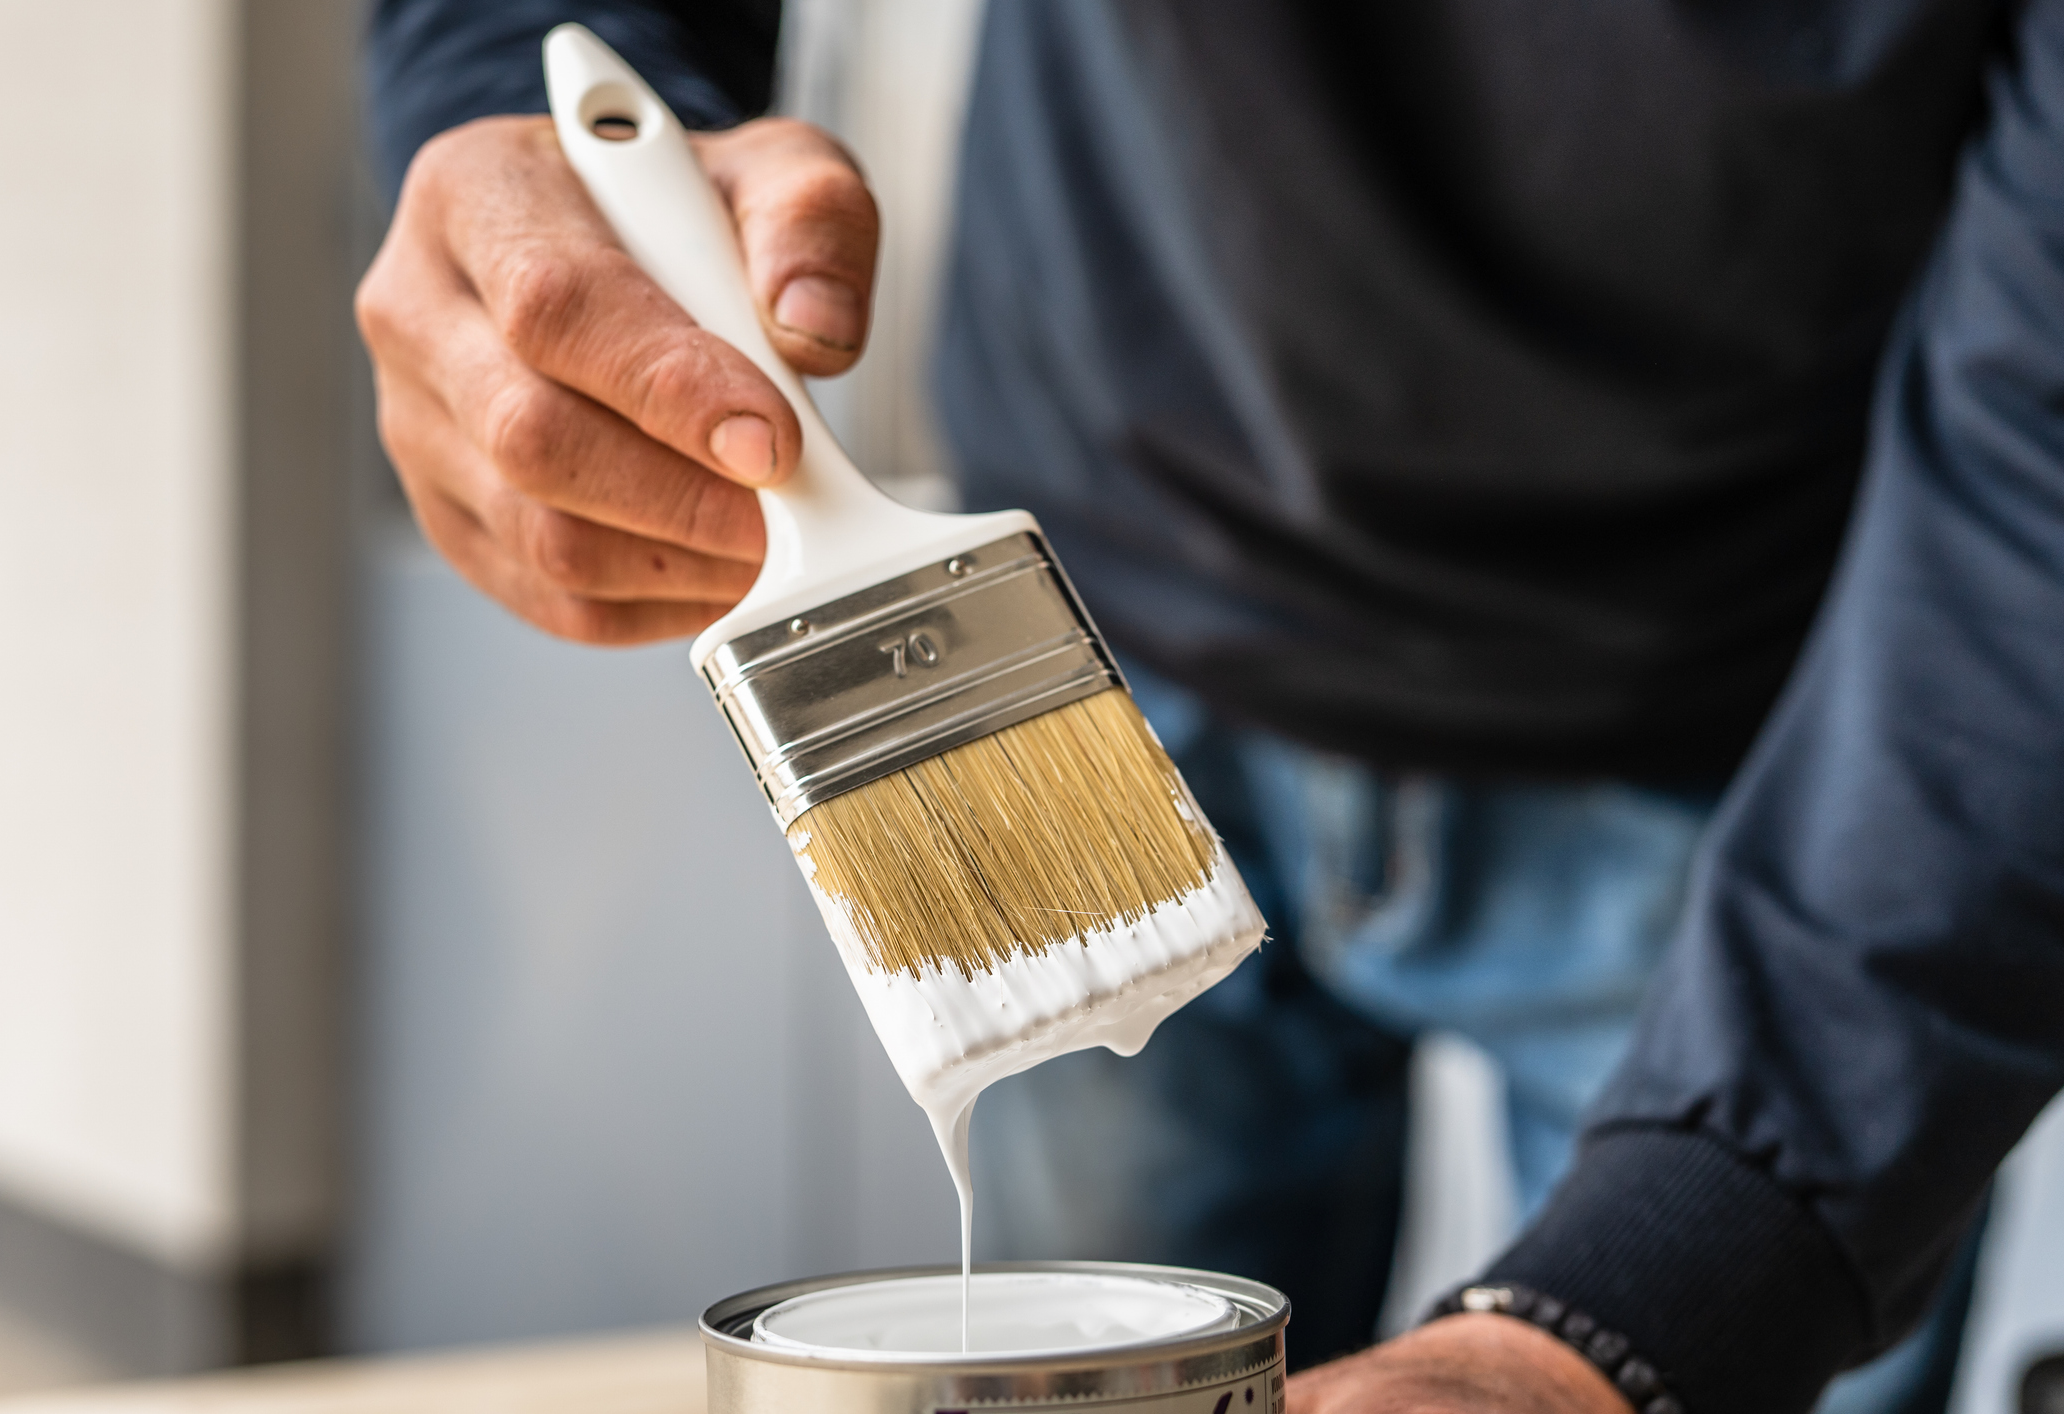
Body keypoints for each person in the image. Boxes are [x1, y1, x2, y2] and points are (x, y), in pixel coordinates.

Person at [353, 3, 2064, 1411]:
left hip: (1799, 747)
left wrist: (1644, 1302)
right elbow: (552, 60)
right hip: (1104, 629)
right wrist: (509, 100)